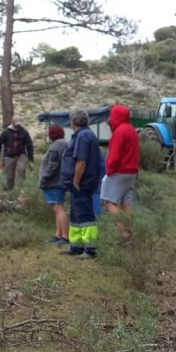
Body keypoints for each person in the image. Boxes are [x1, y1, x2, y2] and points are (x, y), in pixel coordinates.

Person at [60, 110, 102, 258]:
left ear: (73, 122)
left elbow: (81, 161)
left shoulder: (83, 136)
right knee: (76, 214)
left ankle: (90, 249)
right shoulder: (84, 135)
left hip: (82, 183)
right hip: (79, 183)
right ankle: (76, 246)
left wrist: (76, 181)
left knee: (84, 215)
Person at [102, 104, 139, 244]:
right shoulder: (132, 130)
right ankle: (129, 232)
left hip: (119, 172)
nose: (109, 119)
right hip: (131, 172)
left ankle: (123, 234)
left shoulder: (119, 131)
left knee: (109, 201)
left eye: (111, 115)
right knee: (126, 203)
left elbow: (115, 156)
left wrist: (109, 170)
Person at [38, 124, 69, 247]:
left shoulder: (56, 146)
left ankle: (65, 236)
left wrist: (44, 177)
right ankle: (58, 235)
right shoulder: (65, 143)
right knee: (57, 209)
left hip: (53, 182)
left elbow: (53, 165)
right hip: (60, 181)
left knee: (58, 209)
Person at [0, 115, 34, 190]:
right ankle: (10, 190)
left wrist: (31, 160)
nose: (18, 126)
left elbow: (29, 145)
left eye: (19, 124)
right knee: (10, 177)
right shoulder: (6, 132)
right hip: (9, 156)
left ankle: (21, 191)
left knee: (21, 171)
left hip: (21, 155)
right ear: (13, 123)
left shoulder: (24, 132)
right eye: (17, 124)